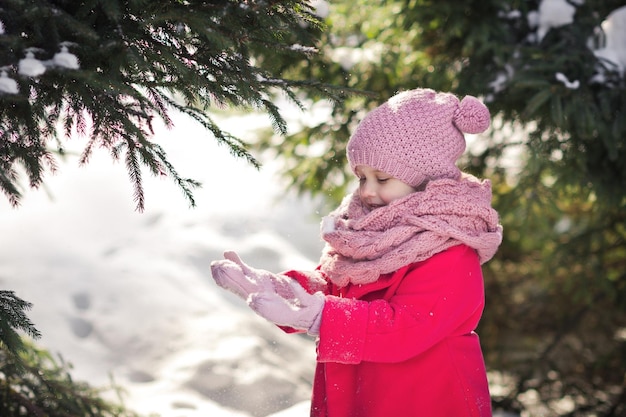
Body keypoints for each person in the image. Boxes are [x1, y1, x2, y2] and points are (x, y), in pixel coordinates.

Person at [210, 88, 503, 417]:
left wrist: (322, 316)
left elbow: (409, 324)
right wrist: (284, 291)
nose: (367, 191)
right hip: (357, 395)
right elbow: (337, 284)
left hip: (423, 399)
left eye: (382, 178)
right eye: (361, 177)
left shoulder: (451, 248)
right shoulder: (363, 230)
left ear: (425, 178)